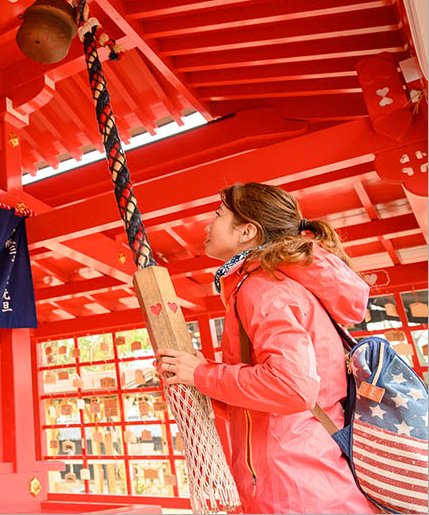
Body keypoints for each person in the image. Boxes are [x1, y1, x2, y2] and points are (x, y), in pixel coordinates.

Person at [155, 182, 378, 514]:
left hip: (297, 490)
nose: (207, 224)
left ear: (247, 231)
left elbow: (291, 387)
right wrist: (200, 378)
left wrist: (204, 374)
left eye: (218, 214)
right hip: (312, 481)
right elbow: (269, 403)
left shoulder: (262, 288)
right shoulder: (276, 284)